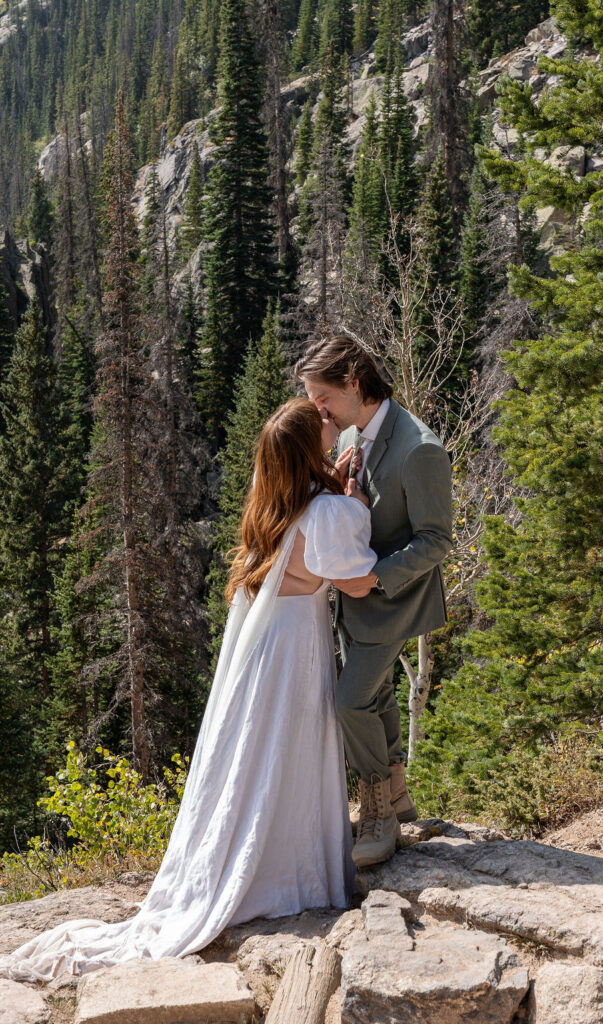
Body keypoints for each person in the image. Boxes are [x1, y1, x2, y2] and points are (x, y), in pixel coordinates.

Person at [0, 398, 376, 985]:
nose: (333, 418)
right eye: (323, 419)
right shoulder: (326, 510)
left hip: (273, 643)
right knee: (288, 749)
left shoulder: (275, 500)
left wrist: (336, 482)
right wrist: (355, 502)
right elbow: (356, 580)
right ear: (309, 447)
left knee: (262, 754)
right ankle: (285, 871)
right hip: (293, 652)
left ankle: (270, 857)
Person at [295, 335, 453, 870]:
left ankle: (378, 811)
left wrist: (374, 580)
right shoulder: (352, 438)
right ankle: (401, 797)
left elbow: (436, 540)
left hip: (392, 600)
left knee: (350, 702)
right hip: (354, 602)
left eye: (323, 398)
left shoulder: (420, 448)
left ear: (355, 385)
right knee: (380, 699)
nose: (316, 410)